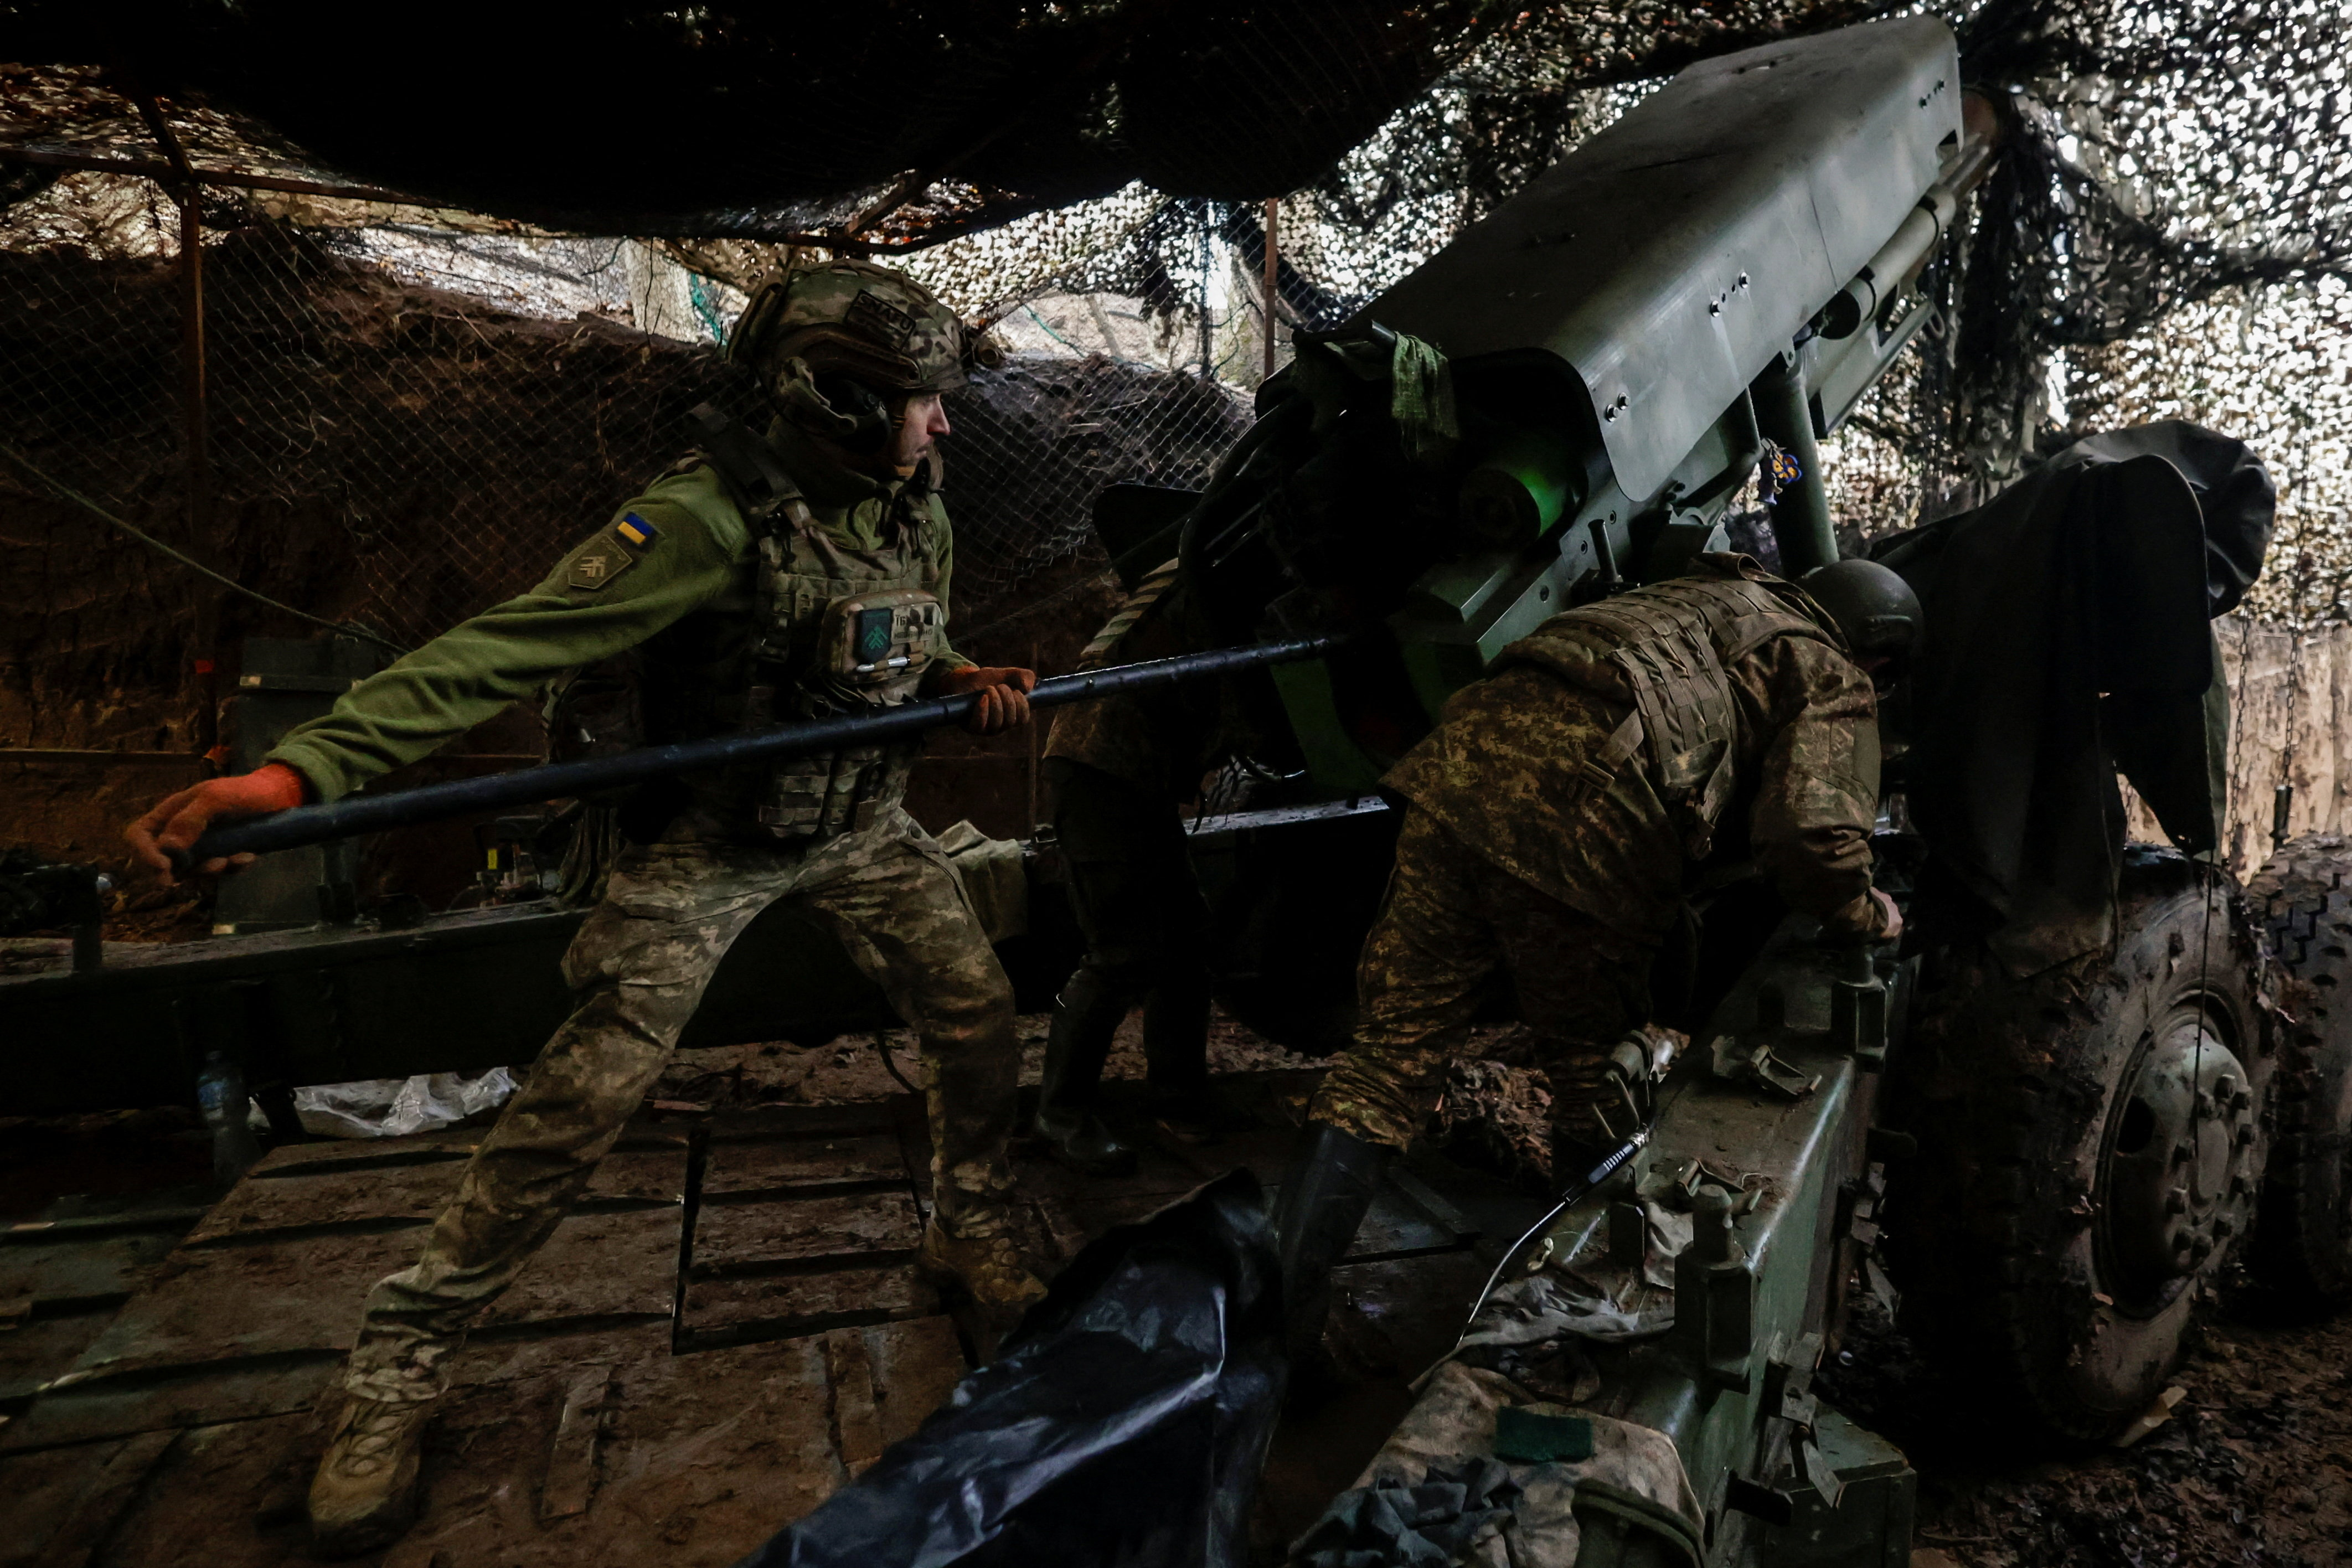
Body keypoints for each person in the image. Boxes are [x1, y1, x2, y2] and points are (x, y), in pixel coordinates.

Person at [124, 260, 1047, 1556]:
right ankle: (400, 1359)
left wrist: (958, 672)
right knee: (580, 1101)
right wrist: (295, 772)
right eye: (918, 402)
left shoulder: (909, 506)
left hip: (861, 828)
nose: (941, 425)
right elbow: (499, 652)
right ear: (835, 401)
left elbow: (892, 641)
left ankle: (966, 1224)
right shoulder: (704, 521)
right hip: (718, 843)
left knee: (974, 1008)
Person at [1268, 552, 1919, 1348]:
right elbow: (1810, 837)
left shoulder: (1704, 593)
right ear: (1879, 654)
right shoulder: (1828, 668)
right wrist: (1863, 910)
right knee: (1590, 1068)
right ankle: (1572, 1299)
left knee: (1389, 1058)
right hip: (1583, 816)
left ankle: (1275, 1316)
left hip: (1460, 769)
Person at [1030, 558, 1227, 1173]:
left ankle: (1177, 1100)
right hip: (1099, 770)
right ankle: (1059, 1117)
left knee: (1187, 939)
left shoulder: (1209, 563)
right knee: (1122, 952)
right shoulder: (1218, 573)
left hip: (1136, 771)